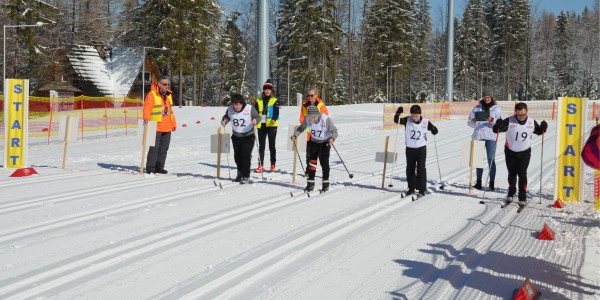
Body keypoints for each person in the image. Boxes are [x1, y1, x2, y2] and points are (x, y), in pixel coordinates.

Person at [493, 102, 548, 206]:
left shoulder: (531, 122)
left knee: (522, 173)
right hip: (510, 151)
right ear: (515, 113)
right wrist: (497, 125)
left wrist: (543, 127)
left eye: (523, 114)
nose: (521, 117)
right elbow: (496, 130)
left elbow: (539, 132)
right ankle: (511, 192)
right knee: (512, 173)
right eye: (518, 115)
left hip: (525, 152)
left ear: (527, 111)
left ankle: (522, 196)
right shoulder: (510, 120)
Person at [393, 105, 439, 197]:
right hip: (410, 148)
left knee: (421, 168)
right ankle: (411, 188)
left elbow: (433, 129)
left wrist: (434, 130)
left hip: (421, 148)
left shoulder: (425, 121)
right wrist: (398, 113)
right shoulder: (407, 120)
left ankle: (422, 189)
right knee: (410, 168)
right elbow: (396, 120)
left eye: (416, 116)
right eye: (413, 116)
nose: (414, 118)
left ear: (420, 114)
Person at [291, 106, 338, 192]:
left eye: (314, 117)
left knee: (324, 162)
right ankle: (310, 184)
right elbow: (301, 128)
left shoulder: (326, 119)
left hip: (325, 142)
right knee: (312, 163)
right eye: (311, 117)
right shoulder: (307, 118)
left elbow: (334, 131)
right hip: (313, 141)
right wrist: (295, 135)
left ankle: (325, 184)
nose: (312, 119)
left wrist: (332, 138)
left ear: (318, 115)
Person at [467, 89, 502, 191]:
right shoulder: (477, 108)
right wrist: (473, 121)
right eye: (485, 97)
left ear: (491, 98)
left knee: (491, 159)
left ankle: (491, 183)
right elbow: (469, 123)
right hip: (478, 135)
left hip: (490, 136)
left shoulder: (496, 109)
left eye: (488, 97)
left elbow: (499, 123)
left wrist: (492, 120)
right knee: (477, 160)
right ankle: (478, 182)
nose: (486, 99)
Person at [221, 94, 261, 184]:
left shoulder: (249, 108)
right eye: (235, 104)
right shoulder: (230, 108)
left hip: (248, 136)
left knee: (245, 156)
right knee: (237, 156)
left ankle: (246, 176)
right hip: (236, 136)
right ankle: (240, 172)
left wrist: (255, 120)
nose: (237, 106)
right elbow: (227, 116)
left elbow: (258, 117)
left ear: (242, 103)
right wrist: (224, 120)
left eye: (239, 104)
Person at [143, 75, 177, 174]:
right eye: (165, 84)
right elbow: (147, 107)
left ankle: (159, 167)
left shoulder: (169, 95)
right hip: (156, 126)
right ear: (159, 84)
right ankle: (150, 168)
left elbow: (170, 111)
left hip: (167, 126)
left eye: (168, 84)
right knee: (154, 148)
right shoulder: (152, 94)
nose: (167, 86)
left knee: (164, 149)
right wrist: (146, 117)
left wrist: (173, 123)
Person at [254, 79, 280, 173]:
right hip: (261, 125)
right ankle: (260, 165)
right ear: (264, 90)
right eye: (266, 89)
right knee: (261, 146)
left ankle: (272, 165)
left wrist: (274, 119)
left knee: (272, 146)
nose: (267, 91)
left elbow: (276, 112)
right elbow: (255, 112)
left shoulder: (274, 100)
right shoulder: (258, 100)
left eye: (269, 89)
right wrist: (254, 120)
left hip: (271, 125)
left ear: (272, 90)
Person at [299, 88, 330, 165]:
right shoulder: (304, 105)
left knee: (322, 155)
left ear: (316, 95)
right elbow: (302, 117)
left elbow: (325, 118)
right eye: (308, 95)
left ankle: (325, 173)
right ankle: (308, 172)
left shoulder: (321, 105)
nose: (310, 97)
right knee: (309, 154)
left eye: (312, 95)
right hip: (309, 134)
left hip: (320, 134)